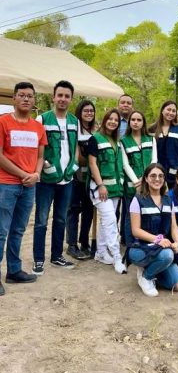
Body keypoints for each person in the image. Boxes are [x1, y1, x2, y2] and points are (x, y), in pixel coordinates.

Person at [0, 82, 46, 293]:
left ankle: (14, 271)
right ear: (14, 99)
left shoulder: (38, 127)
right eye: (22, 95)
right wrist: (23, 174)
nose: (26, 99)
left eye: (30, 96)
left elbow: (40, 155)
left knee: (18, 230)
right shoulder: (3, 122)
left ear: (34, 100)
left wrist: (36, 174)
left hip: (29, 187)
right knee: (1, 231)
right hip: (6, 185)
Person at [33, 80, 79, 274]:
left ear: (71, 99)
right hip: (46, 181)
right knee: (42, 220)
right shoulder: (42, 120)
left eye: (66, 96)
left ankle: (56, 256)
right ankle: (38, 259)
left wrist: (73, 166)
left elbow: (75, 147)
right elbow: (36, 149)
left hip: (67, 180)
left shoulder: (74, 121)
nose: (63, 99)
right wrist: (45, 166)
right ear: (53, 97)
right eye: (59, 95)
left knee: (60, 219)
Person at [127, 164, 178, 297]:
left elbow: (173, 226)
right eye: (153, 176)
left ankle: (156, 270)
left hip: (161, 248)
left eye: (160, 176)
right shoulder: (138, 200)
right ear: (146, 179)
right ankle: (146, 276)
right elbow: (135, 231)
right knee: (167, 255)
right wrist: (158, 240)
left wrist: (176, 242)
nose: (157, 179)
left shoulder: (168, 200)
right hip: (140, 248)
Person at [87, 109, 126, 274]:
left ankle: (101, 253)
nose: (113, 122)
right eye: (110, 119)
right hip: (100, 189)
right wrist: (100, 184)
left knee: (106, 222)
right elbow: (92, 164)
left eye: (116, 120)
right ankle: (117, 257)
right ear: (104, 120)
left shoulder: (117, 141)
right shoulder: (94, 139)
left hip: (115, 188)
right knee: (110, 220)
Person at [120, 110, 157, 244]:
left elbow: (154, 160)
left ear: (143, 123)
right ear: (129, 122)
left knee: (146, 212)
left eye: (139, 120)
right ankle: (129, 242)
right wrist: (137, 181)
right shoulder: (123, 141)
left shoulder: (151, 139)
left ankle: (143, 240)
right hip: (132, 185)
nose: (136, 122)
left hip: (149, 182)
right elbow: (125, 164)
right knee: (130, 214)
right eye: (133, 120)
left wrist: (145, 178)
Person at [67, 100, 97, 260]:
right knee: (73, 210)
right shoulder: (75, 129)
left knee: (88, 211)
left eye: (91, 110)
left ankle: (84, 241)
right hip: (75, 176)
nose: (89, 113)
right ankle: (72, 244)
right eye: (86, 110)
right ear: (80, 111)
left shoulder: (95, 130)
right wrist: (90, 157)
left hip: (90, 178)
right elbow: (77, 157)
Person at [150, 100, 178, 187]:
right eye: (168, 109)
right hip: (157, 173)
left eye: (173, 111)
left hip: (174, 172)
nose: (171, 113)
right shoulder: (152, 129)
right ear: (162, 110)